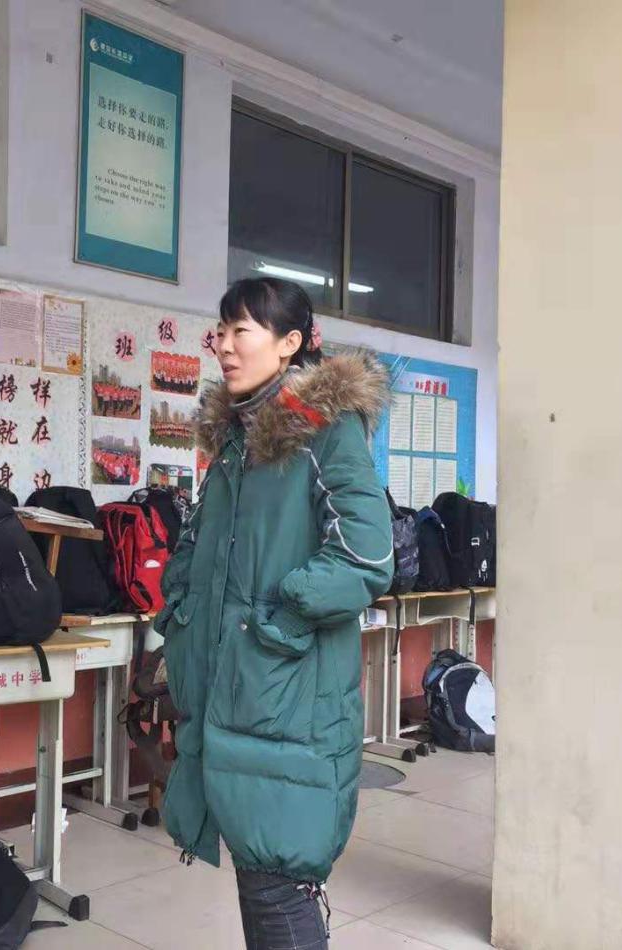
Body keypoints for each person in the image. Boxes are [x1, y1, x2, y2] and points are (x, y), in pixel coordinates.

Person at [157, 277, 394, 950]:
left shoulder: (324, 431)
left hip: (286, 695)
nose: (225, 346)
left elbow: (365, 555)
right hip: (233, 688)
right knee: (258, 865)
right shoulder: (237, 440)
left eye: (242, 331)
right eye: (221, 330)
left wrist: (277, 625)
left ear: (289, 343)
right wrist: (181, 611)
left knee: (277, 875)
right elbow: (202, 550)